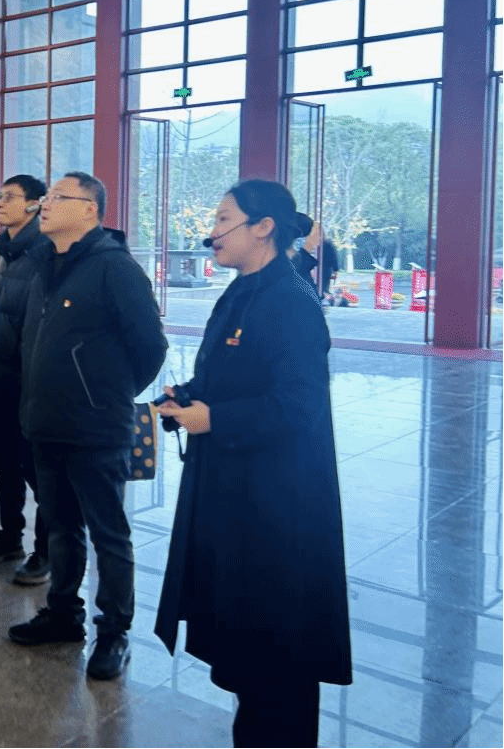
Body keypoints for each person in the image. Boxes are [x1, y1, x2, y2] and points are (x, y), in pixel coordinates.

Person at [155, 179, 352, 747]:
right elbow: (232, 379)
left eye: (224, 219)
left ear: (263, 227)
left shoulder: (290, 302)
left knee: (278, 656)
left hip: (278, 511)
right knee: (249, 653)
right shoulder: (241, 292)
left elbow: (300, 406)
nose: (212, 232)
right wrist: (189, 396)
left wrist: (215, 419)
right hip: (238, 500)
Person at [7, 172, 167, 682]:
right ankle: (63, 614)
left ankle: (114, 631)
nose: (46, 204)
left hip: (97, 428)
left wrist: (107, 395)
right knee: (60, 529)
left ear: (90, 210)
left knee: (109, 534)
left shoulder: (115, 268)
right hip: (46, 423)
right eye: (47, 197)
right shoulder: (46, 265)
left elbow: (151, 347)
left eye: (59, 197)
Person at [0, 173, 51, 584]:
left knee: (37, 471)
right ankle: (10, 537)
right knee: (4, 465)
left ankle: (45, 551)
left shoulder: (43, 251)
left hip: (29, 380)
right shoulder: (4, 251)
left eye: (9, 197)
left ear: (34, 204)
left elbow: (37, 323)